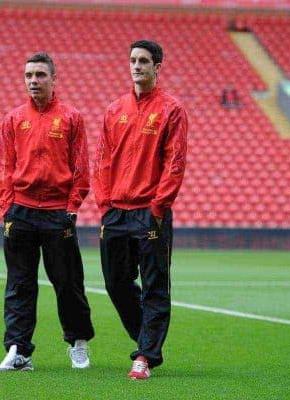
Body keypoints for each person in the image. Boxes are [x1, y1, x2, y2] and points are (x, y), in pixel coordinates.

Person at [0, 52, 94, 372]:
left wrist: (71, 206)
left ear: (53, 79)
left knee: (67, 283)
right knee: (19, 284)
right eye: (29, 76)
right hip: (20, 212)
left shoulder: (70, 118)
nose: (33, 81)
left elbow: (81, 167)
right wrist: (6, 207)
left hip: (56, 213)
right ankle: (18, 351)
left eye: (40, 75)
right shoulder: (13, 119)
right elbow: (4, 167)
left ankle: (78, 342)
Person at [93, 40, 188, 380]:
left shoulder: (171, 110)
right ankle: (148, 338)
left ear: (157, 66)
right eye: (132, 60)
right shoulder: (114, 110)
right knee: (116, 282)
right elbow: (102, 160)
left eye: (144, 61)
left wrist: (159, 207)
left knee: (154, 286)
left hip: (150, 211)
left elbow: (175, 163)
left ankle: (144, 356)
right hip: (116, 211)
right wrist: (104, 204)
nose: (137, 66)